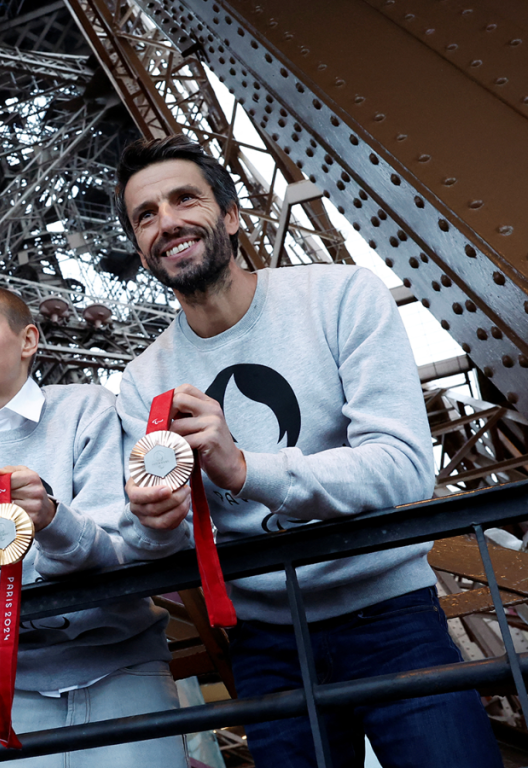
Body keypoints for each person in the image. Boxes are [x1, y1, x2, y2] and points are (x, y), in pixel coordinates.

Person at [114, 135, 502, 768]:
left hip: (389, 616)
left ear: (233, 215)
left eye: (185, 199)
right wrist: (151, 522)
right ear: (138, 245)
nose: (167, 223)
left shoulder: (343, 297)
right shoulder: (142, 378)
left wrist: (244, 468)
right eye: (146, 215)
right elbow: (163, 543)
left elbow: (403, 468)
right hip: (267, 644)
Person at [0, 283, 188, 768]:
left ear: (29, 340)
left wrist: (52, 519)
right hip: (14, 686)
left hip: (124, 671)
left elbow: (116, 547)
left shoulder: (88, 407)